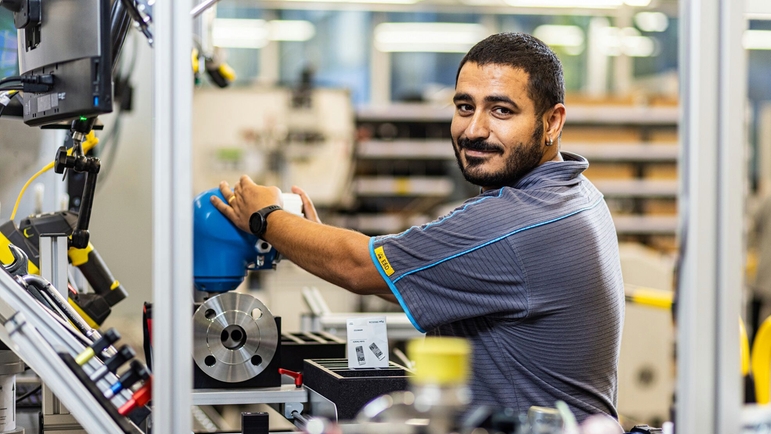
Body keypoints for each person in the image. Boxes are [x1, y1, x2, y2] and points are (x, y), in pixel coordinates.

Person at [211, 32, 625, 423]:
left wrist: (265, 217)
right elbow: (435, 277)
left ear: (552, 122)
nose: (474, 129)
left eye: (501, 110)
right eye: (465, 107)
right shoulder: (574, 195)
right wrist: (306, 237)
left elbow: (359, 268)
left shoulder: (516, 222)